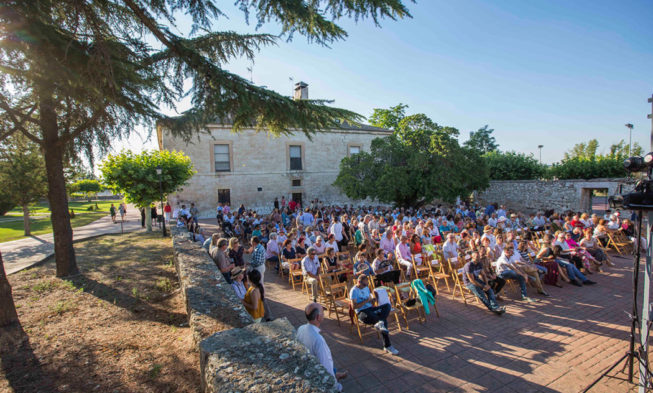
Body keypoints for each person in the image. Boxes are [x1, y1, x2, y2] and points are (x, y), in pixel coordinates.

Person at [296, 303, 348, 392]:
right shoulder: (318, 340)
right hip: (315, 372)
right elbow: (325, 366)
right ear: (318, 317)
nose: (324, 314)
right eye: (323, 313)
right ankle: (336, 378)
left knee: (331, 368)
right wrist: (336, 386)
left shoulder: (301, 328)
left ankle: (336, 374)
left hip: (306, 366)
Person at [349, 274, 399, 355]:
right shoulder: (354, 291)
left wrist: (373, 300)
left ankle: (380, 324)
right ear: (359, 282)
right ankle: (388, 346)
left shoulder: (366, 288)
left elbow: (370, 301)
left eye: (367, 284)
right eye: (364, 284)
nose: (366, 286)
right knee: (382, 321)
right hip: (362, 312)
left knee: (387, 306)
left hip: (370, 309)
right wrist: (366, 301)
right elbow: (354, 306)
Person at [462, 250, 505, 315]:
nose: (478, 257)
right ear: (472, 257)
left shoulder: (479, 263)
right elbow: (471, 280)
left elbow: (483, 275)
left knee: (490, 290)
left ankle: (495, 307)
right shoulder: (469, 265)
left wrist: (486, 284)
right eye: (477, 256)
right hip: (469, 283)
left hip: (477, 280)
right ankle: (493, 309)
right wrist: (483, 286)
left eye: (479, 256)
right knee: (481, 294)